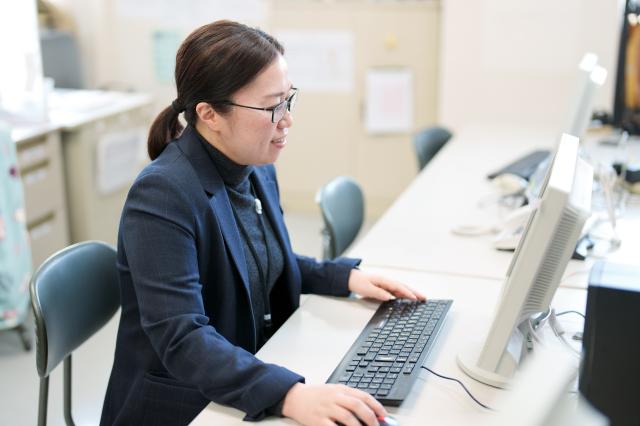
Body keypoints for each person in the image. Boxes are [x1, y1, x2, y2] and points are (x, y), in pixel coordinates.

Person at [101, 20, 425, 426]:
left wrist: (342, 279)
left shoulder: (253, 163)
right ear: (209, 114)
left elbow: (266, 259)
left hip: (244, 370)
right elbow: (182, 338)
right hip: (184, 404)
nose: (286, 119)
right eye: (272, 106)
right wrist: (289, 394)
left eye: (288, 100)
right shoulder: (162, 196)